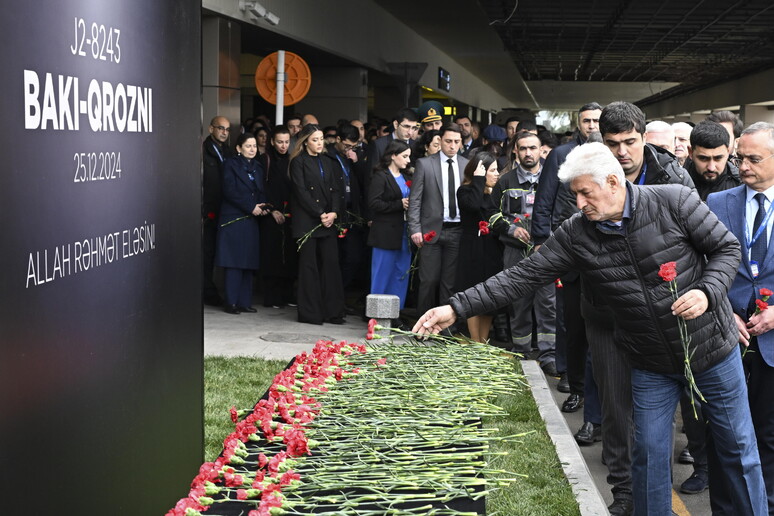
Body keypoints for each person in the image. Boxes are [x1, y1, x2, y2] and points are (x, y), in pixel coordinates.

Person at [414, 141, 767, 516]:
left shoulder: (674, 201)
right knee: (647, 456)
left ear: (613, 182)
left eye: (586, 193)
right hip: (649, 362)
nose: (579, 203)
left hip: (712, 351)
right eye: (574, 195)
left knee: (738, 450)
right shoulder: (576, 233)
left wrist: (707, 292)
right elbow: (523, 275)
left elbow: (727, 249)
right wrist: (456, 307)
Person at [708, 121, 774, 513]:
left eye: (754, 159)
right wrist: (722, 311)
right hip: (725, 336)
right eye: (740, 158)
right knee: (724, 433)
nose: (743, 166)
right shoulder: (719, 203)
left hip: (771, 341)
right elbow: (699, 266)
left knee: (767, 435)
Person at [492, 131, 556, 374]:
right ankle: (521, 351)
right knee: (518, 301)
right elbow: (491, 214)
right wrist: (510, 229)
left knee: (548, 302)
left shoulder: (553, 180)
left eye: (533, 148)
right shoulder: (505, 181)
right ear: (515, 152)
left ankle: (549, 354)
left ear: (541, 151)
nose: (528, 153)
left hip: (546, 252)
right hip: (515, 251)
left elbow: (561, 212)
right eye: (523, 148)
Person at [407, 123, 468, 315]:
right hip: (430, 230)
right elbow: (415, 199)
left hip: (457, 229)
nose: (452, 146)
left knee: (449, 282)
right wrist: (415, 229)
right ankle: (423, 324)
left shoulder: (466, 165)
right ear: (440, 140)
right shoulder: (425, 164)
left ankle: (445, 328)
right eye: (448, 141)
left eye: (456, 142)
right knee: (428, 280)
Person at [289, 124, 346, 325]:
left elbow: (336, 189)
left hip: (328, 221)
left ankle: (333, 312)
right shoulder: (298, 162)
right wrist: (320, 213)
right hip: (308, 222)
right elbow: (301, 191)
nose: (320, 143)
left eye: (321, 139)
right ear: (305, 142)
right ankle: (310, 313)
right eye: (315, 139)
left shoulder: (328, 161)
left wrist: (334, 213)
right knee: (309, 268)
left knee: (331, 265)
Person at [215, 133, 270, 314]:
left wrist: (263, 206)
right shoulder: (230, 164)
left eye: (254, 146)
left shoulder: (258, 167)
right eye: (248, 146)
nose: (252, 149)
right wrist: (250, 206)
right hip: (234, 218)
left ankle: (244, 302)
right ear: (239, 148)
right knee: (234, 262)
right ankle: (231, 302)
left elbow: (260, 190)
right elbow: (229, 190)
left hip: (251, 219)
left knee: (248, 261)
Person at [454, 152, 504, 343]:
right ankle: (475, 340)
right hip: (472, 250)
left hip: (492, 250)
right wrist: (477, 180)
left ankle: (484, 341)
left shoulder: (495, 193)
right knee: (473, 294)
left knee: (490, 296)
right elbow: (473, 206)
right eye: (492, 170)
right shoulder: (465, 191)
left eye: (497, 170)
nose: (496, 174)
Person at [367, 140, 412, 314]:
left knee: (401, 274)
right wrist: (398, 204)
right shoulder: (381, 175)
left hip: (404, 231)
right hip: (385, 233)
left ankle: (395, 314)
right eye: (405, 156)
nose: (408, 160)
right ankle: (376, 316)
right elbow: (374, 203)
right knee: (381, 274)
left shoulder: (407, 176)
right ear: (393, 156)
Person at [258, 125, 296, 308]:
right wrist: (271, 209)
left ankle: (287, 295)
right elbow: (260, 188)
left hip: (289, 213)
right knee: (271, 255)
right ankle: (271, 297)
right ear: (272, 142)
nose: (283, 146)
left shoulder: (292, 160)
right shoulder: (265, 160)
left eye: (287, 142)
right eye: (280, 142)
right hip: (270, 214)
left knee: (288, 255)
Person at [202, 115, 234, 306]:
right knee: (206, 253)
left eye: (227, 129)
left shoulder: (228, 152)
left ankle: (216, 289)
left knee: (219, 252)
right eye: (220, 128)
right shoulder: (202, 151)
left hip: (226, 210)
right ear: (210, 129)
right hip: (208, 211)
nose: (224, 132)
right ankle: (207, 291)